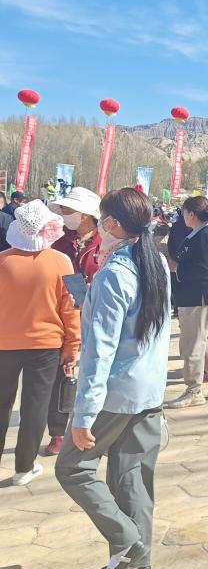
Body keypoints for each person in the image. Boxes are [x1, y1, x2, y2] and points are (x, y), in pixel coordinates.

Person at [55, 188, 172, 569]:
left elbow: (100, 351)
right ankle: (139, 562)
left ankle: (129, 543)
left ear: (113, 224)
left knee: (73, 468)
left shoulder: (115, 274)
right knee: (131, 477)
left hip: (116, 392)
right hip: (148, 388)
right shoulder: (155, 261)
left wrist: (83, 415)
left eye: (103, 219)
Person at [0, 201, 80, 486]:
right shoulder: (63, 262)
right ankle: (24, 467)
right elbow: (72, 308)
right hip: (46, 345)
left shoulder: (2, 260)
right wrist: (73, 345)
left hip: (4, 344)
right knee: (35, 407)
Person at [44, 187, 104, 457]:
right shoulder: (59, 242)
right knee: (62, 374)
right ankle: (57, 432)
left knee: (94, 370)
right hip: (64, 316)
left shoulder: (105, 242)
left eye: (68, 210)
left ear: (86, 215)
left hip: (97, 316)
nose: (64, 214)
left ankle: (93, 425)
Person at [165, 196, 208, 408]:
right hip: (193, 296)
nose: (182, 216)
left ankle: (194, 390)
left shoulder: (206, 234)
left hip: (199, 296)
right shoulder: (199, 232)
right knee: (199, 341)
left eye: (183, 212)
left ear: (191, 214)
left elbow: (203, 268)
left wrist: (177, 268)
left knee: (192, 345)